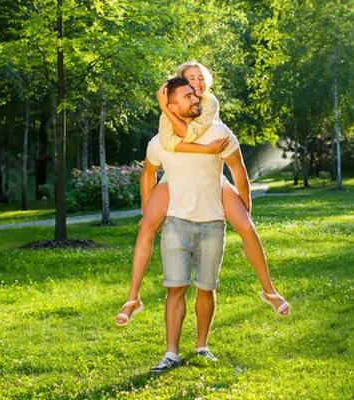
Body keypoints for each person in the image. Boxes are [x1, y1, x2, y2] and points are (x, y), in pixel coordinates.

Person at [115, 62, 289, 327]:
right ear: (180, 85)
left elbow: (231, 163)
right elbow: (166, 148)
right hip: (174, 179)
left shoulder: (208, 106)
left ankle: (269, 290)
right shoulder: (168, 117)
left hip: (211, 178)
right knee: (146, 225)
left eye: (201, 78)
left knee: (246, 225)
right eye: (190, 79)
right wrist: (147, 207)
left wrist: (245, 201)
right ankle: (132, 298)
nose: (196, 83)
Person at [144, 76, 247, 372]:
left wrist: (245, 208)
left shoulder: (218, 131)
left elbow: (238, 169)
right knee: (175, 288)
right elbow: (148, 173)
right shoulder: (161, 143)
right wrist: (148, 211)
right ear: (171, 104)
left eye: (195, 94)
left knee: (205, 288)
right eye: (187, 96)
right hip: (176, 225)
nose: (196, 99)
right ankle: (171, 353)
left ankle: (202, 346)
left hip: (213, 223)